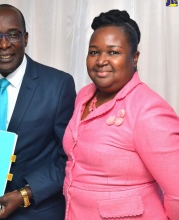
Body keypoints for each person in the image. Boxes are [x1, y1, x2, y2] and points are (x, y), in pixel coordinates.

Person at [0, 4, 76, 220]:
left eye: (13, 34)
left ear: (25, 38)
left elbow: (69, 158)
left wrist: (24, 194)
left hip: (35, 212)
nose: (4, 44)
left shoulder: (57, 85)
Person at [63, 9, 179, 219]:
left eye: (113, 52)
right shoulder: (83, 96)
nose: (101, 60)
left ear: (134, 58)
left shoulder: (148, 109)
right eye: (94, 52)